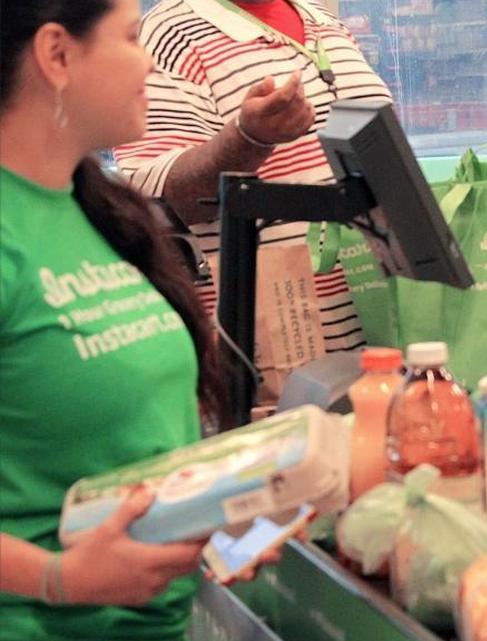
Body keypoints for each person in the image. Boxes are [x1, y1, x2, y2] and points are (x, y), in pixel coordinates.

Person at [0, 1, 230, 638]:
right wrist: (58, 579)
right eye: (130, 36)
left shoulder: (92, 208)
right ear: (57, 54)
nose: (150, 58)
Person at [114, 0, 394, 355]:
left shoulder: (325, 23)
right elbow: (158, 202)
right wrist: (248, 139)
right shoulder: (168, 35)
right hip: (271, 366)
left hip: (382, 346)